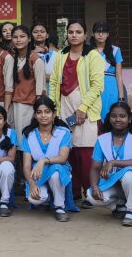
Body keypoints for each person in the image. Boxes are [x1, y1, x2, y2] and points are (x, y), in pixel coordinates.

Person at [48, 20, 105, 206]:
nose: (74, 35)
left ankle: (90, 191)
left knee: (86, 153)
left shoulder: (93, 55)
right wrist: (53, 109)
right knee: (68, 151)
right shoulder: (61, 55)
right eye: (71, 32)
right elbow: (55, 82)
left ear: (85, 34)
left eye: (78, 32)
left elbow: (98, 85)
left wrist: (83, 107)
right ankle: (72, 192)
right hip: (64, 106)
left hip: (86, 109)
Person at [87, 101, 132, 226]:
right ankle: (119, 206)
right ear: (109, 118)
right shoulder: (102, 139)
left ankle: (131, 211)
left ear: (130, 119)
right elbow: (95, 167)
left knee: (129, 174)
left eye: (122, 116)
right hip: (116, 185)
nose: (117, 119)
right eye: (114, 116)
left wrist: (113, 162)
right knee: (90, 196)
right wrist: (94, 187)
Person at [21, 96, 75, 222]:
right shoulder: (29, 135)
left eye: (47, 111)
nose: (43, 115)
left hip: (58, 169)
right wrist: (32, 183)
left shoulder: (63, 132)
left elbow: (63, 158)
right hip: (37, 174)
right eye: (39, 112)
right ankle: (47, 198)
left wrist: (43, 160)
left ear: (54, 114)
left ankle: (59, 206)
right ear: (35, 115)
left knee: (56, 172)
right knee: (35, 198)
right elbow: (26, 166)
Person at [10, 25, 47, 140]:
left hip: (29, 106)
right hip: (13, 104)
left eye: (22, 36)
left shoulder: (36, 60)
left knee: (25, 138)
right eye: (15, 37)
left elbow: (40, 89)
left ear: (29, 38)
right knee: (14, 138)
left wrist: (38, 111)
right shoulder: (12, 58)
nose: (19, 40)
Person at [90, 21, 125, 122]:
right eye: (97, 32)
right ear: (93, 34)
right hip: (93, 86)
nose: (100, 35)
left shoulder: (115, 50)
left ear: (108, 34)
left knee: (110, 116)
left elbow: (119, 76)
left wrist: (121, 97)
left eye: (104, 32)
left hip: (111, 87)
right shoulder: (88, 51)